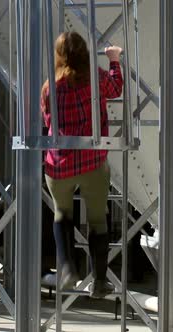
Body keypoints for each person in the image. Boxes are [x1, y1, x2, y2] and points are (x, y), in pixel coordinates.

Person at [41, 31, 123, 299]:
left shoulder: (49, 86)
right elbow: (116, 88)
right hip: (92, 160)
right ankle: (99, 280)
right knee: (98, 218)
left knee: (61, 214)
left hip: (59, 163)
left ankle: (66, 268)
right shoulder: (96, 78)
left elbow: (47, 121)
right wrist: (113, 60)